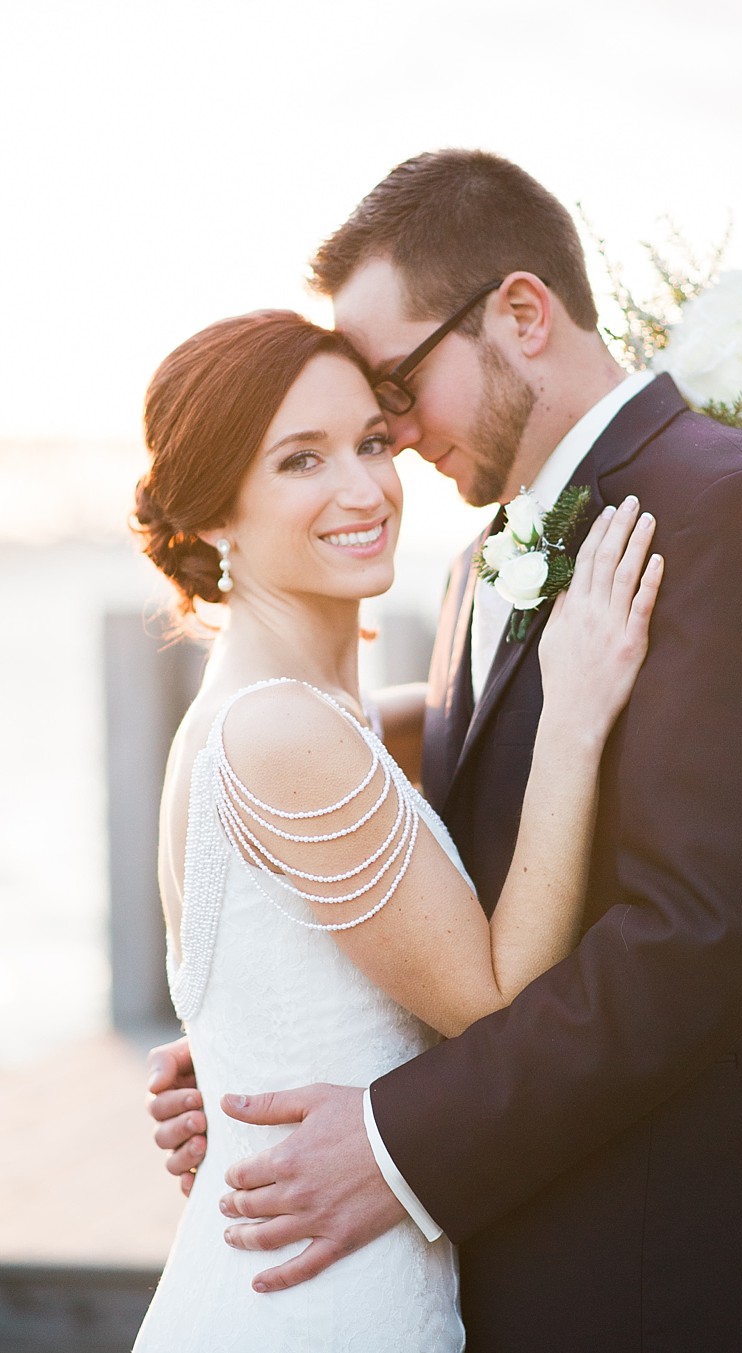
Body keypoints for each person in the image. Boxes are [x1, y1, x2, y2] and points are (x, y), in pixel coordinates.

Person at [149, 151, 742, 1351]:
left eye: (394, 386)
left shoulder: (726, 511)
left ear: (522, 315)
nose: (388, 433)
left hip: (682, 1286)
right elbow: (445, 840)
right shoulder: (483, 557)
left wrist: (398, 1139)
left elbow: (708, 936)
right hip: (504, 1269)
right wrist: (263, 1024)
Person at [131, 306, 661, 1351]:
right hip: (322, 1307)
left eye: (372, 442)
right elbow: (496, 999)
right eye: (301, 461)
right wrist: (575, 708)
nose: (365, 487)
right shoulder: (280, 733)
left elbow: (409, 736)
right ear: (212, 516)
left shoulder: (287, 713)